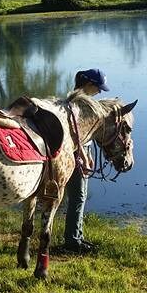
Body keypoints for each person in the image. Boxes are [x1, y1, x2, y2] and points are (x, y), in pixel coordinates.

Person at [63, 68, 110, 254]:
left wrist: (88, 152)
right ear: (89, 84)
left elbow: (85, 135)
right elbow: (75, 134)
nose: (99, 92)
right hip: (75, 153)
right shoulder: (77, 105)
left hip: (83, 150)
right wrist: (82, 154)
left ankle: (77, 236)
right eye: (98, 88)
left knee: (79, 196)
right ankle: (73, 241)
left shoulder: (81, 102)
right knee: (78, 196)